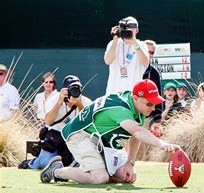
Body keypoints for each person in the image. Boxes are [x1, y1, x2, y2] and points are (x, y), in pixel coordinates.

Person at [40, 79, 181, 184]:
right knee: (100, 178)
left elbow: (134, 135)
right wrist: (162, 144)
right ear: (136, 98)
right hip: (80, 135)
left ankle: (87, 167)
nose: (153, 107)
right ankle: (56, 170)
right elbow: (137, 131)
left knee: (128, 177)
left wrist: (130, 164)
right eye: (149, 103)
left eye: (155, 103)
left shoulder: (138, 106)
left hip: (103, 141)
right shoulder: (120, 109)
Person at [28, 75, 92, 170]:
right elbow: (48, 122)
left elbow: (89, 122)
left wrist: (79, 104)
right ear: (64, 90)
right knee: (43, 163)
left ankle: (65, 163)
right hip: (56, 136)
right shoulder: (55, 99)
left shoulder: (85, 101)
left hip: (76, 137)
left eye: (77, 88)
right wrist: (59, 102)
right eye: (71, 89)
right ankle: (32, 162)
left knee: (80, 164)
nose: (73, 91)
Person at [104, 16, 149, 95]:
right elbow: (107, 61)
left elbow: (145, 62)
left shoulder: (141, 45)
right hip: (113, 92)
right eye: (126, 28)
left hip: (133, 94)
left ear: (137, 30)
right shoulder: (114, 43)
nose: (128, 30)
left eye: (132, 27)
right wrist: (115, 39)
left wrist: (134, 43)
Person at [142, 39, 163, 131]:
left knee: (141, 145)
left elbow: (157, 96)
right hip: (127, 113)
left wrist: (157, 119)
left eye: (152, 52)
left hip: (144, 116)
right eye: (147, 51)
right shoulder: (130, 69)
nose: (149, 54)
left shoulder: (154, 73)